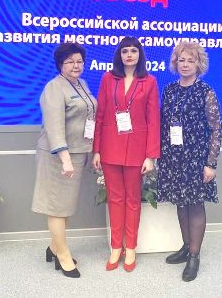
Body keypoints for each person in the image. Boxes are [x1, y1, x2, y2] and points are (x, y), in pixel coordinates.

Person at [92, 36, 160, 272]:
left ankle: (130, 248)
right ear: (119, 55)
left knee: (132, 200)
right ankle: (115, 248)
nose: (129, 55)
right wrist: (96, 150)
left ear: (140, 55)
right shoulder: (108, 79)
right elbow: (100, 115)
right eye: (125, 51)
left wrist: (150, 155)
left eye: (133, 51)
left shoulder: (149, 82)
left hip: (137, 150)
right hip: (110, 147)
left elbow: (153, 120)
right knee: (115, 199)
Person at [158, 41, 222, 282]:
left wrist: (211, 163)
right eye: (181, 60)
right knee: (180, 203)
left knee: (195, 205)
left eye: (190, 60)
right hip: (173, 158)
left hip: (196, 158)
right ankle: (186, 246)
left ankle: (194, 255)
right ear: (175, 63)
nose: (185, 64)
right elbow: (164, 125)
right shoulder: (169, 90)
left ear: (199, 64)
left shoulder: (206, 91)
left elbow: (215, 129)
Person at [31, 43, 96, 278]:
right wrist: (65, 158)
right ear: (60, 64)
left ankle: (53, 247)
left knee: (65, 206)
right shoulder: (54, 87)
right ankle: (63, 255)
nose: (76, 65)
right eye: (70, 62)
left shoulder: (82, 84)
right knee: (57, 208)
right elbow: (54, 127)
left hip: (78, 152)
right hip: (58, 156)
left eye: (79, 61)